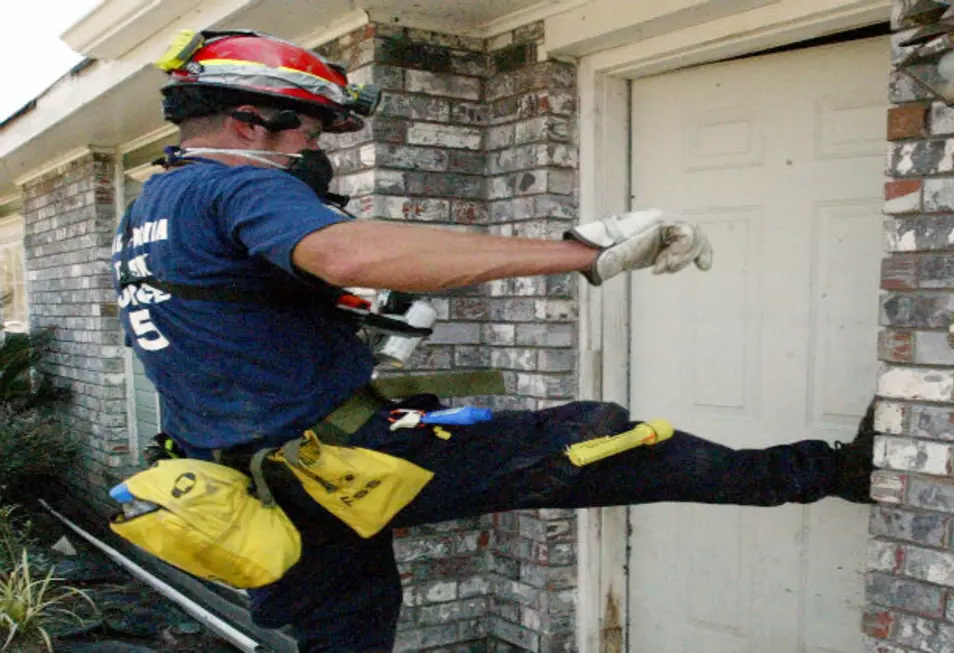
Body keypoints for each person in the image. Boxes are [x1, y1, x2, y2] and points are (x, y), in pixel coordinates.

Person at [112, 29, 877, 653]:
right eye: (310, 131)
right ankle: (832, 469)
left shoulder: (157, 204)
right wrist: (584, 252)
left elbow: (224, 318)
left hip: (250, 479)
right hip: (335, 457)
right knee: (598, 442)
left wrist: (359, 337)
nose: (316, 153)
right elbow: (346, 252)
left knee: (345, 630)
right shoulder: (243, 183)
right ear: (252, 118)